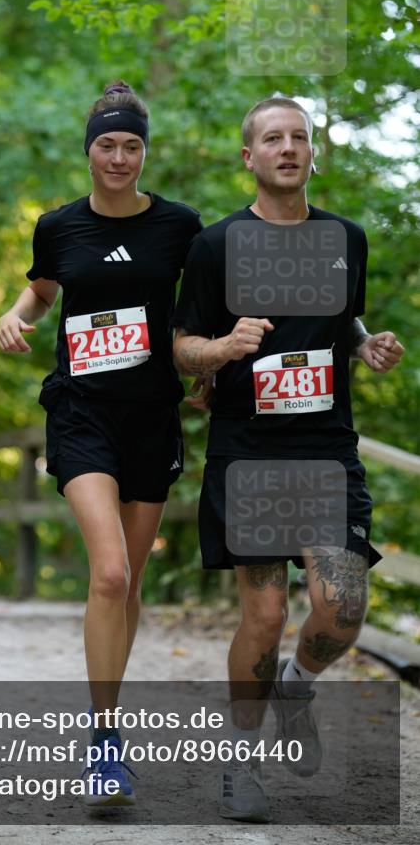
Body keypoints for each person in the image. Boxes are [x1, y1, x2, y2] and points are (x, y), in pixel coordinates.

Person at [173, 96, 405, 823]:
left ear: (311, 153)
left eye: (299, 137)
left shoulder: (345, 237)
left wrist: (364, 345)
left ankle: (297, 687)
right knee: (265, 614)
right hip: (250, 450)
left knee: (342, 607)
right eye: (272, 138)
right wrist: (221, 349)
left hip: (325, 448)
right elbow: (181, 345)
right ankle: (240, 764)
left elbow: (344, 317)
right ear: (248, 156)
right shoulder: (214, 246)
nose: (287, 147)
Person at [0, 81, 203, 805]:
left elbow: (201, 310)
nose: (119, 157)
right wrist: (14, 314)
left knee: (132, 583)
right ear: (87, 151)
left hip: (150, 414)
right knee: (109, 573)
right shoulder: (57, 226)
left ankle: (107, 719)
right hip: (80, 410)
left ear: (144, 151)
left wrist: (206, 366)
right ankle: (105, 740)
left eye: (131, 145)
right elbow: (43, 292)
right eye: (107, 145)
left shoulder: (180, 225)